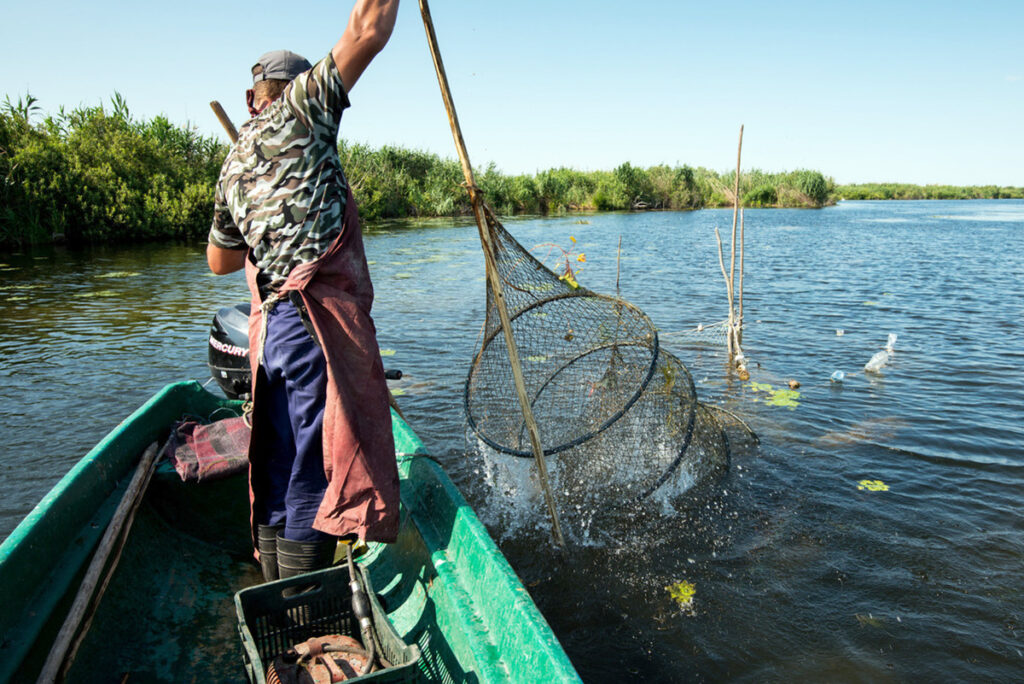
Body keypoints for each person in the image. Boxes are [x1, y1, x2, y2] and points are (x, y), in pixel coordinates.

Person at [206, 0, 401, 582]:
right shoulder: (303, 110)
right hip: (315, 327)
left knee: (276, 455)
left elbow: (220, 260)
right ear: (294, 90)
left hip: (273, 333)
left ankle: (273, 582)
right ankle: (299, 598)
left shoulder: (233, 162)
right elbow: (368, 27)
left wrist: (265, 214)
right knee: (315, 467)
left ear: (250, 99)